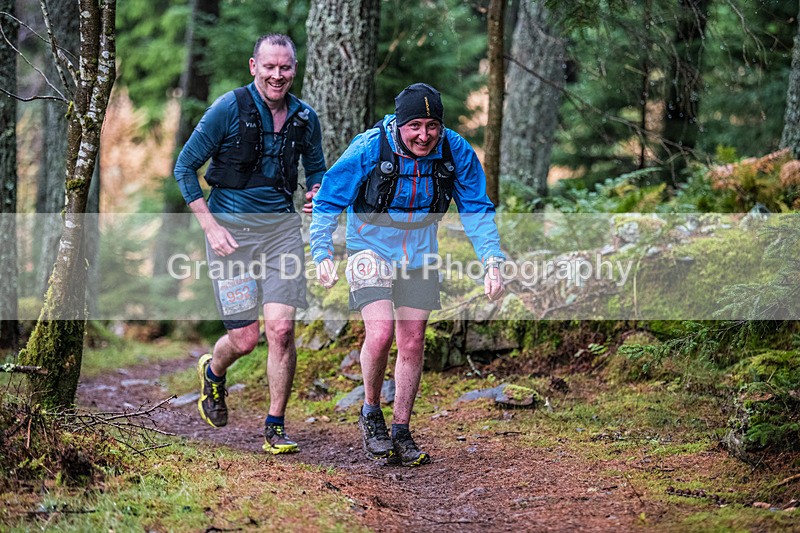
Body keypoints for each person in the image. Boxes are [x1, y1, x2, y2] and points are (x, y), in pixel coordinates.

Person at [309, 83, 505, 466]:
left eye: (432, 126)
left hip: (420, 251)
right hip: (369, 246)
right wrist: (322, 253)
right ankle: (371, 412)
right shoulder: (370, 147)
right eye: (415, 125)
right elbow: (328, 198)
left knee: (413, 342)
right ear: (400, 124)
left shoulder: (455, 151)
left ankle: (401, 429)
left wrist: (492, 262)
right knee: (381, 332)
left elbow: (477, 209)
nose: (424, 135)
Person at [173, 34, 326, 454]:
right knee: (244, 338)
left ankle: (275, 426)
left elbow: (317, 170)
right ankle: (214, 372)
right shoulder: (228, 108)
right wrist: (210, 228)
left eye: (285, 67)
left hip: (281, 235)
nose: (278, 75)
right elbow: (184, 167)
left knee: (281, 329)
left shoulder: (304, 118)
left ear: (294, 69)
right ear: (253, 66)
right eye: (269, 66)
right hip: (230, 235)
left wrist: (316, 193)